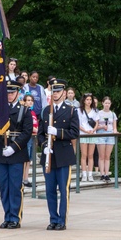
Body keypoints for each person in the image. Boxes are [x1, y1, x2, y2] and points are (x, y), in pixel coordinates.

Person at [38, 78, 80, 230]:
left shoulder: (71, 110)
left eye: (58, 91)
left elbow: (74, 132)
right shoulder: (45, 111)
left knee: (63, 189)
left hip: (63, 155)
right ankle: (53, 219)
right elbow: (40, 134)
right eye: (53, 91)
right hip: (49, 155)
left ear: (63, 92)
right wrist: (44, 146)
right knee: (50, 190)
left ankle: (62, 220)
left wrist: (58, 132)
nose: (55, 94)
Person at [0, 81, 33, 228]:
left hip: (16, 152)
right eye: (7, 92)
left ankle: (15, 217)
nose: (9, 95)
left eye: (12, 92)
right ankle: (7, 216)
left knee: (15, 187)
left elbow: (27, 132)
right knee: (4, 187)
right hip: (1, 151)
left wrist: (14, 147)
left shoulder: (25, 111)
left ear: (18, 93)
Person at [95, 96, 118, 182]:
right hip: (101, 134)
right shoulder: (99, 113)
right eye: (106, 103)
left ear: (110, 104)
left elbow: (115, 126)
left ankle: (107, 173)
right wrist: (101, 126)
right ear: (102, 103)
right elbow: (95, 126)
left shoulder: (113, 114)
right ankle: (102, 174)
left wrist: (115, 131)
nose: (107, 105)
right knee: (101, 156)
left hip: (110, 134)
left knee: (107, 156)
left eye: (108, 103)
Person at [77, 93, 99, 181]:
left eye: (90, 100)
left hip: (92, 133)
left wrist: (93, 130)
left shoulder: (95, 110)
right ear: (84, 100)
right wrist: (86, 131)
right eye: (87, 100)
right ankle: (84, 174)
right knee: (84, 155)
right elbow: (78, 124)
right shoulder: (79, 110)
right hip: (83, 133)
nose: (89, 101)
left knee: (91, 155)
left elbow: (97, 122)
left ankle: (90, 174)